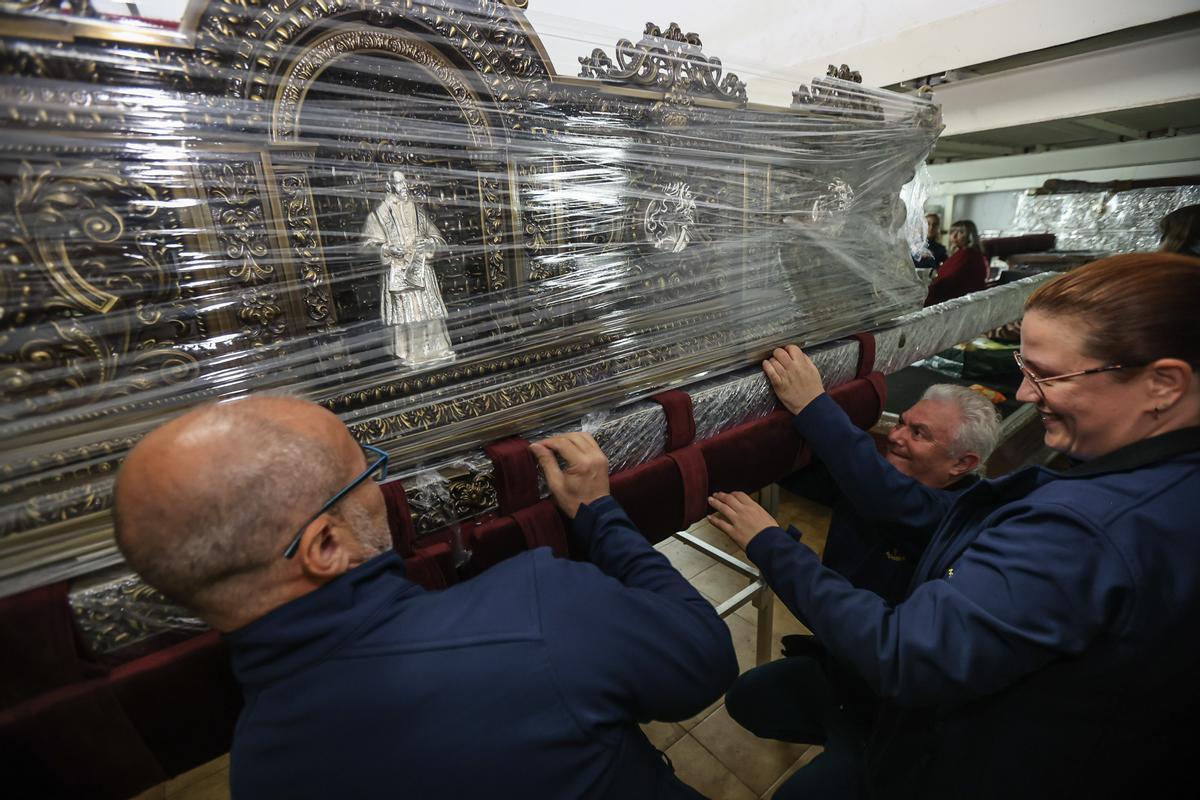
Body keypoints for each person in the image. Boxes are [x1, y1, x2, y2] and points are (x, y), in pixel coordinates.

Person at [710, 252, 1200, 799]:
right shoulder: (1162, 488)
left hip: (954, 753)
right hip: (949, 718)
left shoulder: (1085, 530)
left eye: (1049, 374)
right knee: (752, 697)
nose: (1024, 394)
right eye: (1023, 369)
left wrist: (773, 543)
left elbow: (902, 649)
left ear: (1163, 385)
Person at [112, 397, 737, 799]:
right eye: (366, 473)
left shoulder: (258, 771)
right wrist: (600, 514)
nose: (380, 489)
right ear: (325, 546)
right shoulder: (537, 610)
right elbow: (705, 660)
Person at [727, 384, 1000, 797]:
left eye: (919, 433)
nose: (895, 435)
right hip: (845, 673)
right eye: (902, 421)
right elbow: (828, 474)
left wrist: (813, 405)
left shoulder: (957, 525)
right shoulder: (876, 483)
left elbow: (889, 500)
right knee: (747, 698)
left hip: (895, 715)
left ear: (962, 463)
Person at [362, 170, 455, 366]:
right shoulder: (378, 215)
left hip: (421, 269)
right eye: (399, 183)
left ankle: (437, 350)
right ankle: (411, 354)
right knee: (408, 315)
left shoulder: (418, 211)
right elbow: (366, 248)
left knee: (429, 312)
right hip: (397, 271)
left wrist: (430, 243)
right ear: (389, 186)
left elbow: (439, 239)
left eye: (405, 183)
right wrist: (387, 248)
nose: (404, 187)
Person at [923, 219, 988, 306]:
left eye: (960, 232)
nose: (954, 236)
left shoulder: (966, 254)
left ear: (970, 236)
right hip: (964, 301)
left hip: (955, 303)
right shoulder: (970, 253)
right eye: (952, 232)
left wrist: (924, 293)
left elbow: (947, 281)